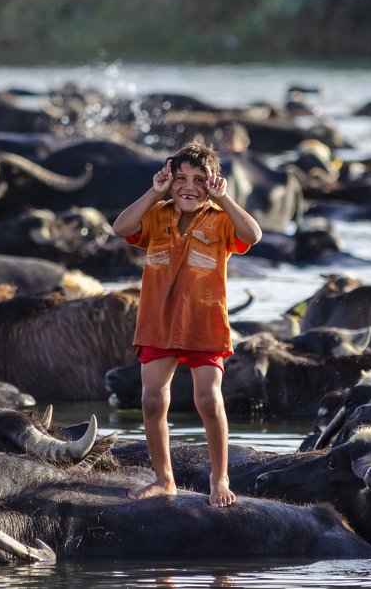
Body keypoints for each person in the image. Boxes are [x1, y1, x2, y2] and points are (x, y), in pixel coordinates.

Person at [112, 140, 262, 507]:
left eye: (199, 178)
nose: (188, 186)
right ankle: (165, 479)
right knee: (151, 399)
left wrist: (223, 198)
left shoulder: (221, 218)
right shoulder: (157, 214)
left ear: (213, 182)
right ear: (168, 179)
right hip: (158, 323)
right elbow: (121, 227)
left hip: (204, 323)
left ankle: (219, 478)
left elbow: (253, 235)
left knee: (209, 399)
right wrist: (154, 190)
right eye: (180, 178)